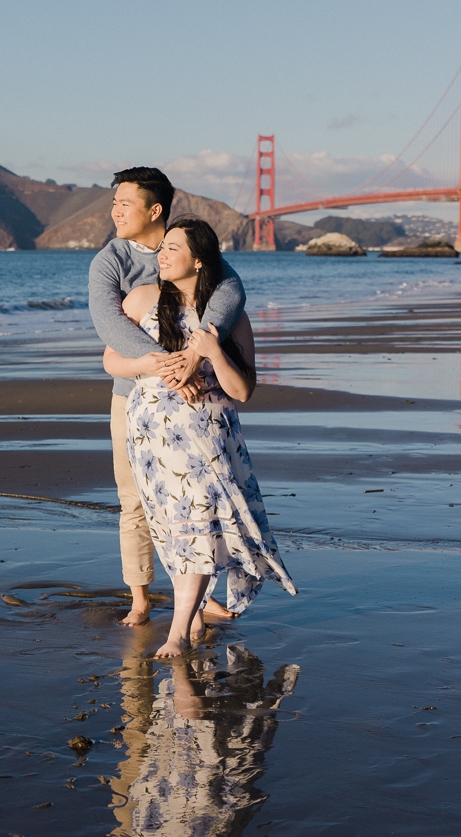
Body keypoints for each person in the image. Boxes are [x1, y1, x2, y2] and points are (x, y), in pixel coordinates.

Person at [103, 217, 297, 658]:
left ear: (199, 260)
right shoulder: (141, 298)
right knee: (172, 530)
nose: (162, 254)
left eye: (173, 248)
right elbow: (111, 360)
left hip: (205, 437)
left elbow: (243, 390)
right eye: (162, 247)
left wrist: (211, 353)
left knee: (198, 524)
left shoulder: (232, 320)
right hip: (151, 436)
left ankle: (176, 632)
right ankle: (189, 618)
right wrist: (152, 365)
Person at [89, 168, 247, 628]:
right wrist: (172, 364)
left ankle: (197, 598)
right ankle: (140, 597)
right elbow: (109, 326)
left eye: (124, 204)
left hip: (197, 402)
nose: (114, 212)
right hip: (133, 398)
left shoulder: (185, 246)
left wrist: (196, 358)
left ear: (153, 210)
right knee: (135, 499)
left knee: (199, 500)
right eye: (113, 204)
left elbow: (229, 291)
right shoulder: (109, 261)